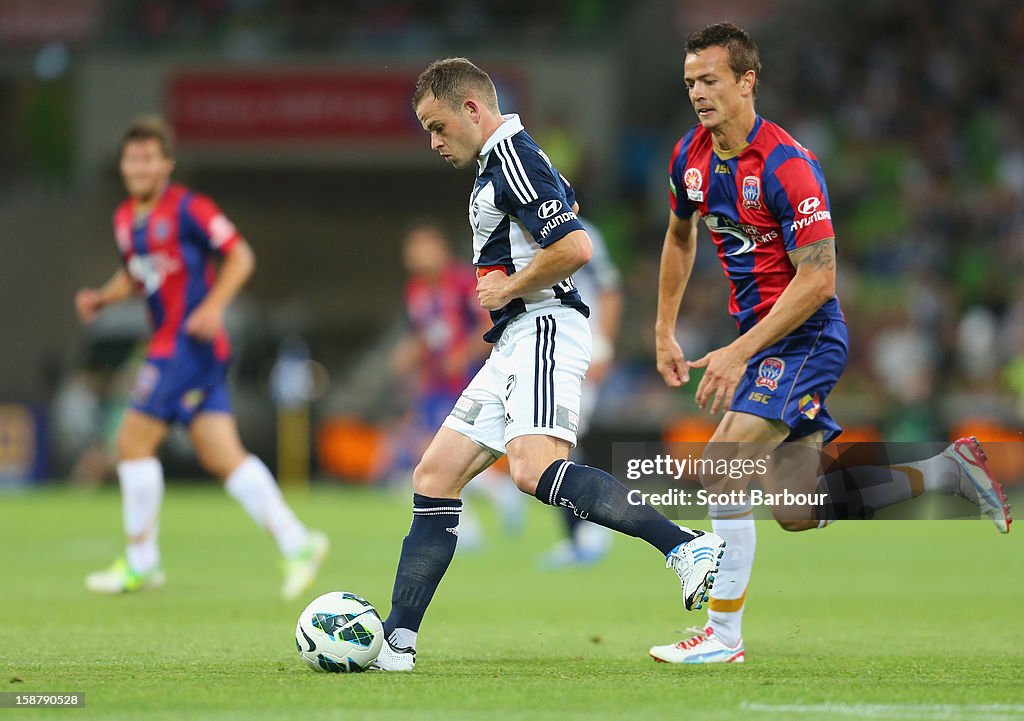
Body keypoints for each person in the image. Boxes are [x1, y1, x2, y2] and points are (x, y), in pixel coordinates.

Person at [651, 22, 1012, 664]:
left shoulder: (788, 165)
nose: (698, 93)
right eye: (689, 83)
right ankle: (945, 471)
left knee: (721, 470)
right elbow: (679, 237)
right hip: (763, 342)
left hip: (805, 338)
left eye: (709, 80)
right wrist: (663, 328)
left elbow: (819, 280)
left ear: (746, 81)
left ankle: (722, 638)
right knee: (796, 508)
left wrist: (739, 352)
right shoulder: (691, 158)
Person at [372, 57, 727, 672]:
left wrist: (510, 287)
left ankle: (684, 546)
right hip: (513, 338)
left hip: (542, 327)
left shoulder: (514, 158)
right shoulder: (492, 164)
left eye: (436, 126)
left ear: (471, 109)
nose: (432, 142)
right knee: (434, 475)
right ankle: (396, 645)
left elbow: (576, 247)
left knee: (534, 471)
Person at [75, 115, 328, 600]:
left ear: (167, 163)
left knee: (130, 443)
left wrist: (213, 306)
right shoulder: (126, 220)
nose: (140, 166)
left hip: (185, 345)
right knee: (222, 454)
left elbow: (240, 256)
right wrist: (103, 299)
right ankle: (299, 543)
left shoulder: (190, 208)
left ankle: (141, 561)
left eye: (150, 157)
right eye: (133, 158)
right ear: (123, 165)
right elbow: (135, 274)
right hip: (181, 347)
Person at [390, 219, 524, 549]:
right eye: (413, 249)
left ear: (441, 249)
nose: (417, 255)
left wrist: (463, 355)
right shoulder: (415, 291)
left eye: (424, 247)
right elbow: (425, 336)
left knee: (438, 457)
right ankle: (494, 499)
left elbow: (489, 326)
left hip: (467, 380)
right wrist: (410, 355)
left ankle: (468, 523)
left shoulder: (464, 282)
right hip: (433, 385)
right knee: (432, 457)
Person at [539, 217, 623, 568]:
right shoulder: (516, 229)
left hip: (577, 352)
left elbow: (609, 288)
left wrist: (603, 345)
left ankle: (590, 531)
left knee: (562, 442)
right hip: (543, 354)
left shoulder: (583, 231)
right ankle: (581, 534)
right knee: (552, 447)